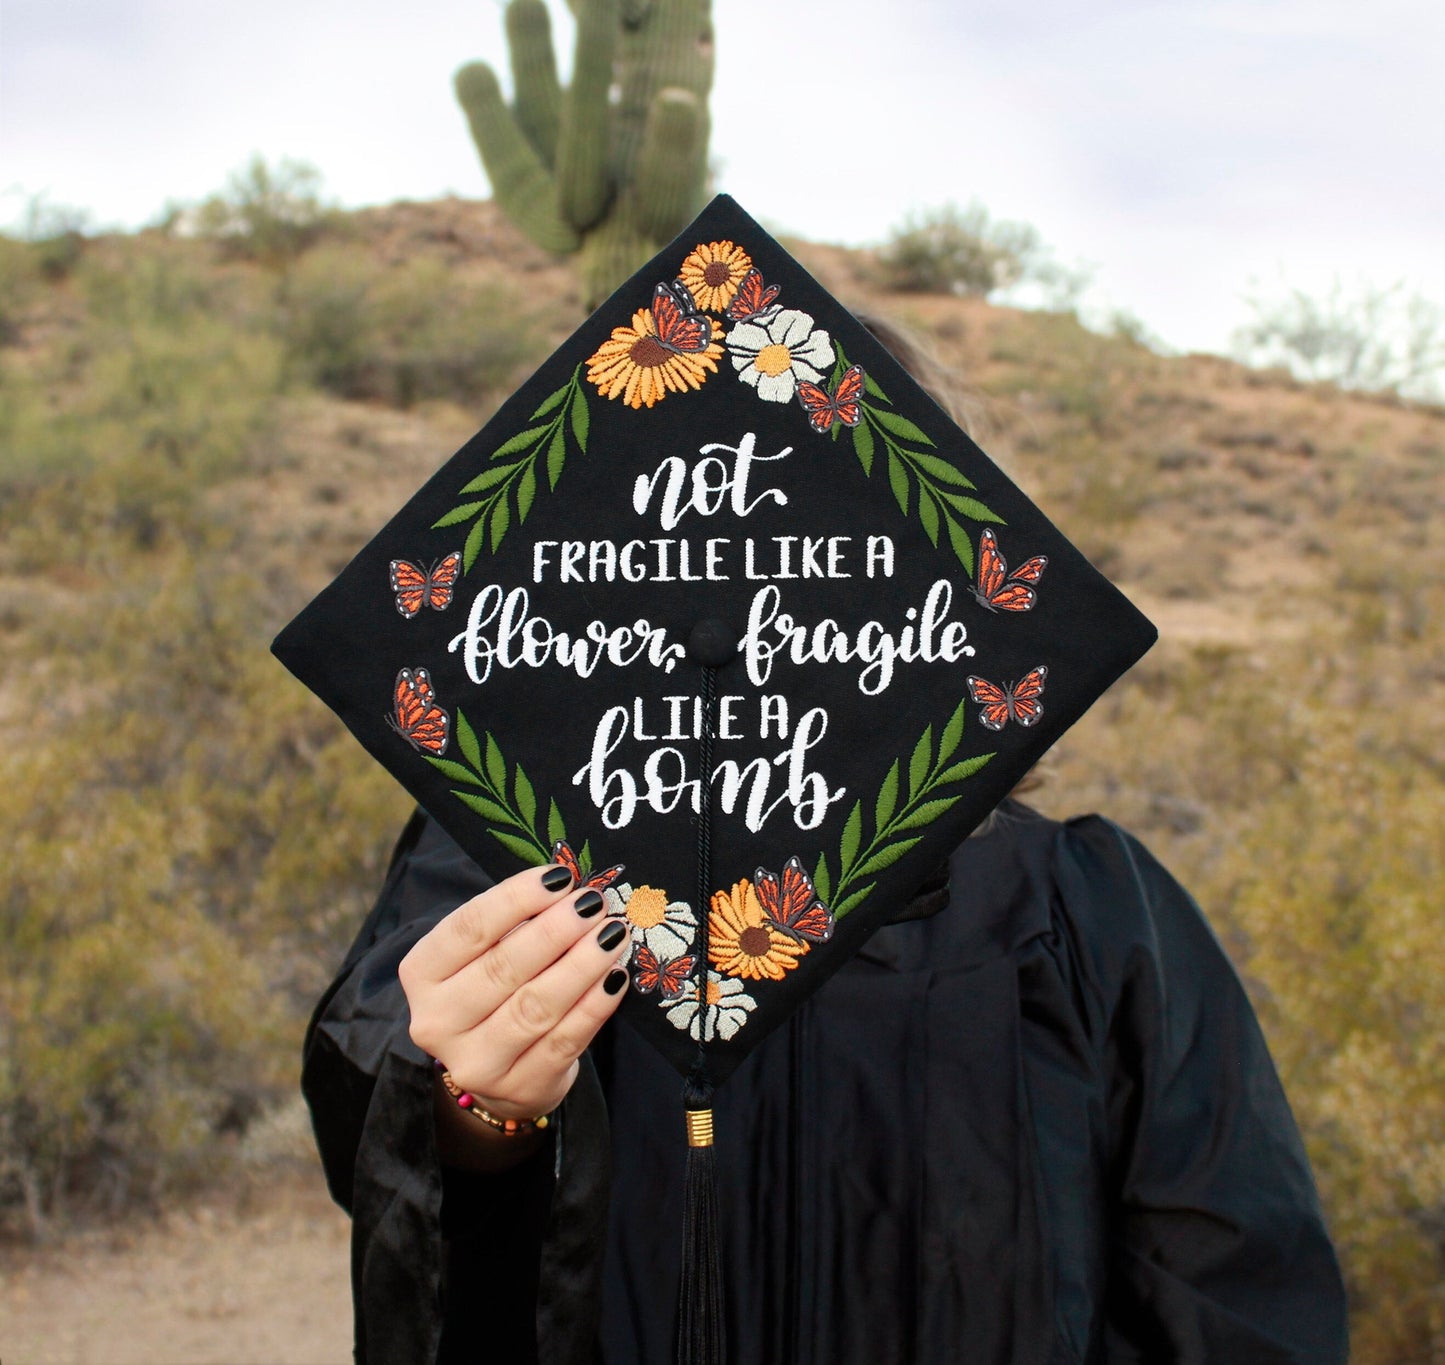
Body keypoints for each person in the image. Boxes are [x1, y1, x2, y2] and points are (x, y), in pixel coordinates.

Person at [301, 323, 1350, 1365]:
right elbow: (390, 1144)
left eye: (817, 535)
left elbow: (1230, 1301)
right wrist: (474, 1106)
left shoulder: (1083, 910)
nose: (754, 601)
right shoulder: (514, 867)